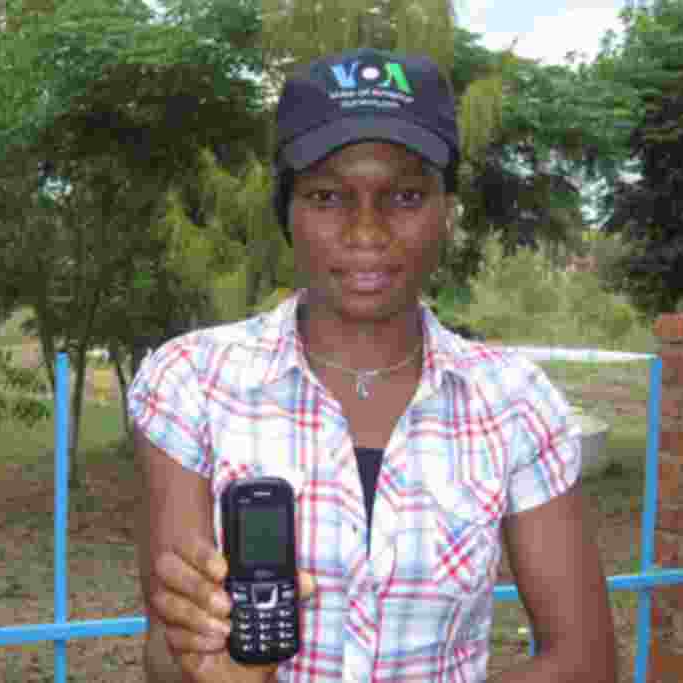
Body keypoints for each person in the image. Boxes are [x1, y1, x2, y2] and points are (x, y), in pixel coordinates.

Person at [129, 47, 617, 683]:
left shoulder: (514, 400)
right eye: (329, 196)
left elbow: (583, 663)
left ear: (447, 210)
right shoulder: (192, 381)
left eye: (406, 195)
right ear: (288, 210)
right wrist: (207, 665)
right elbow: (166, 656)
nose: (367, 230)